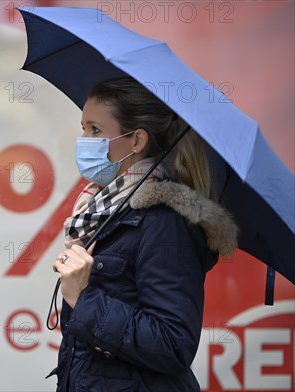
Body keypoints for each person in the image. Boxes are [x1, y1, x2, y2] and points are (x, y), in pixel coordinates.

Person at [49, 77, 238, 391]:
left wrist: (84, 298)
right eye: (83, 128)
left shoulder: (165, 222)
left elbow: (173, 343)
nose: (84, 139)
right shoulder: (104, 210)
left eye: (95, 130)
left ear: (136, 141)